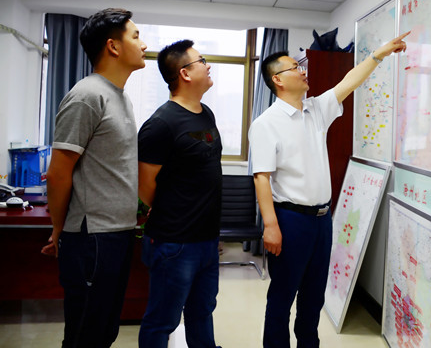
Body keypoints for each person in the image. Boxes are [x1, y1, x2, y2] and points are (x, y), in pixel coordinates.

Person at [249, 31, 410, 348]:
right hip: (290, 220)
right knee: (282, 297)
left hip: (322, 220)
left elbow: (349, 82)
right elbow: (261, 178)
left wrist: (378, 54)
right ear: (278, 80)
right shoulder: (266, 123)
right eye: (296, 67)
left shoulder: (315, 109)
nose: (303, 71)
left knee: (313, 297)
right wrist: (270, 226)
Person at [41, 8, 147, 347]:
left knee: (104, 330)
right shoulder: (87, 95)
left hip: (117, 231)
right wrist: (59, 229)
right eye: (136, 36)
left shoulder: (120, 97)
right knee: (86, 333)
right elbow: (58, 173)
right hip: (92, 236)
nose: (143, 45)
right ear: (113, 46)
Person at [137, 40, 222, 348]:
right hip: (174, 243)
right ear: (185, 73)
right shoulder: (160, 124)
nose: (208, 66)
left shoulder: (206, 113)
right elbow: (145, 187)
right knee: (162, 321)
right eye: (202, 61)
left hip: (207, 240)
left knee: (202, 312)